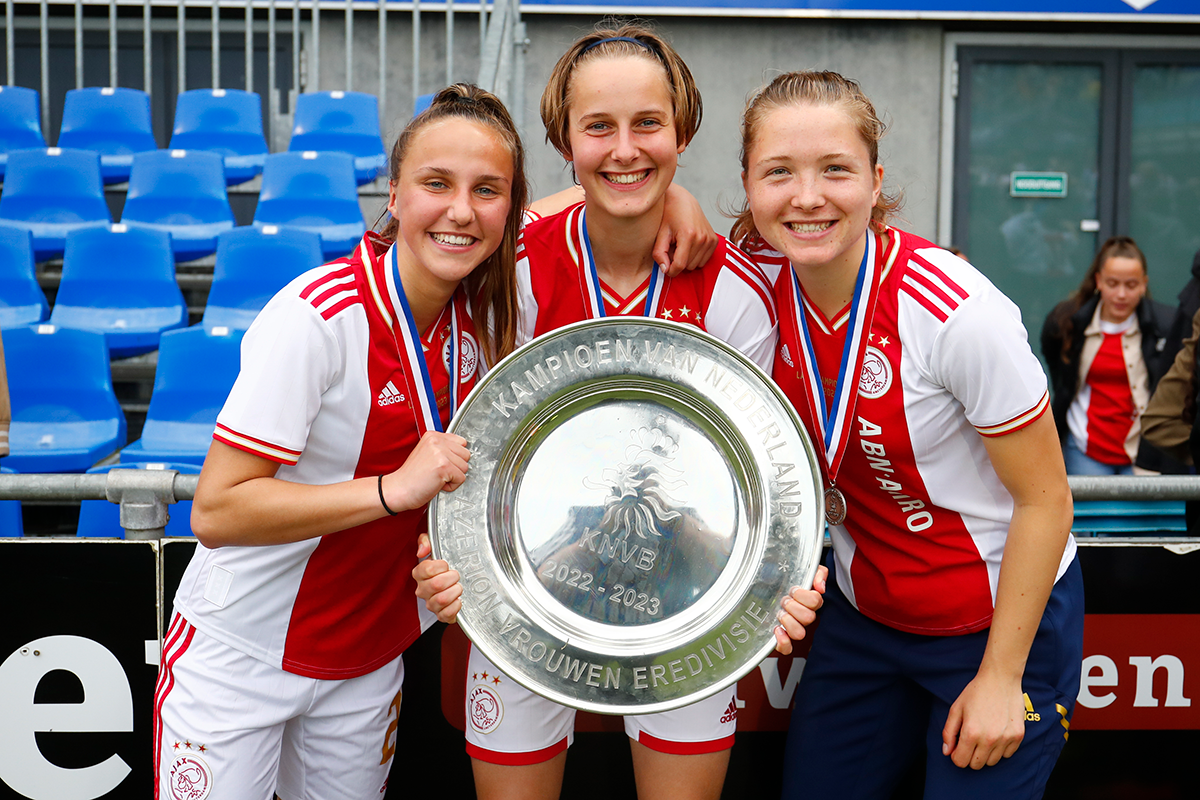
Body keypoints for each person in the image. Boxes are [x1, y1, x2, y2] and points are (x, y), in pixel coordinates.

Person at [413, 24, 825, 800]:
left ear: (682, 133)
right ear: (564, 141)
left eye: (648, 124)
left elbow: (761, 480)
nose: (625, 149)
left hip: (688, 604)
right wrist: (447, 550)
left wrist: (782, 577)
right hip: (524, 591)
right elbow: (476, 445)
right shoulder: (512, 271)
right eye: (598, 126)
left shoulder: (734, 293)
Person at [153, 84, 528, 800]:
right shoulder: (317, 317)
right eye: (436, 183)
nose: (461, 210)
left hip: (367, 662)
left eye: (488, 190)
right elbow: (217, 511)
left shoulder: (483, 328)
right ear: (395, 193)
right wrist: (392, 492)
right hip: (243, 651)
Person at [732, 70, 1082, 799]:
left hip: (995, 621)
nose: (807, 197)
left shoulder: (955, 312)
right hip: (866, 616)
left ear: (876, 180)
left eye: (836, 169)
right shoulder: (751, 284)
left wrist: (1002, 677)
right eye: (779, 172)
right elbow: (608, 204)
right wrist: (670, 197)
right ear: (747, 185)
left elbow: (1047, 501)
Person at [1041, 236, 1180, 475]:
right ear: (1098, 281)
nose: (1121, 294)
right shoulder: (1067, 322)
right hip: (1084, 448)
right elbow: (1057, 368)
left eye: (1131, 285)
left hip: (1141, 450)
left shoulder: (1164, 326)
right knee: (1088, 500)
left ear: (1144, 284)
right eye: (1113, 283)